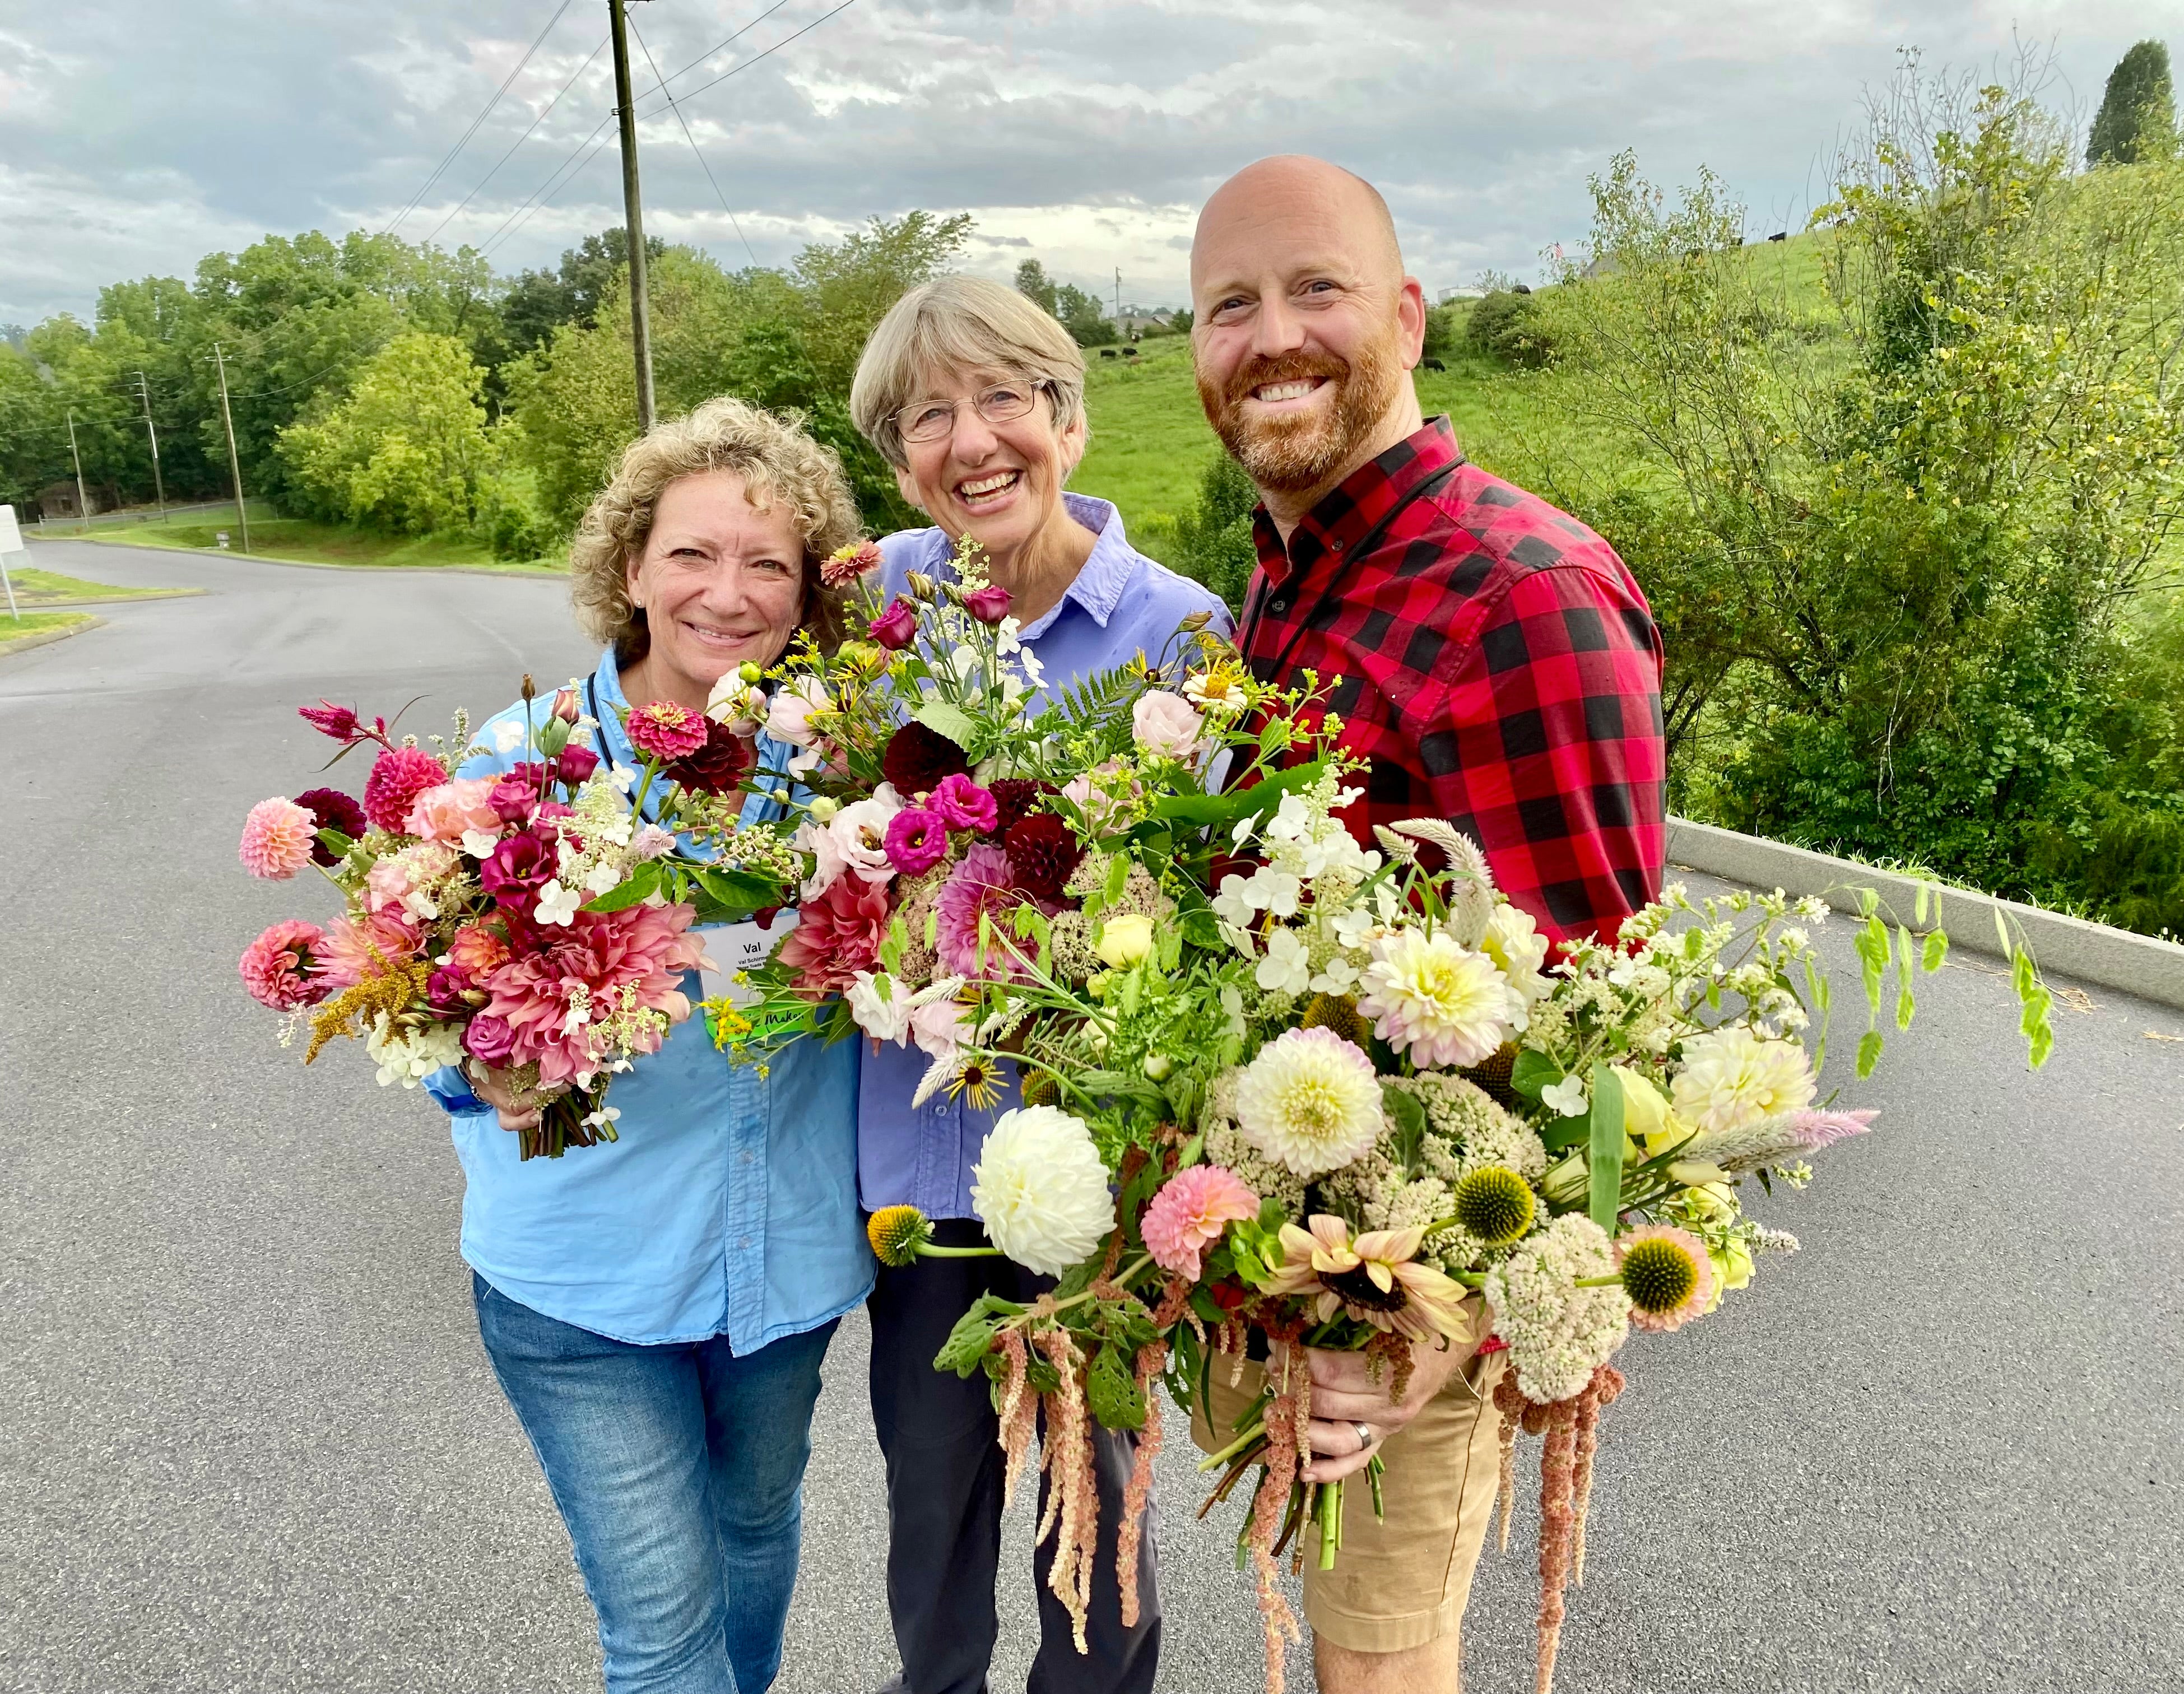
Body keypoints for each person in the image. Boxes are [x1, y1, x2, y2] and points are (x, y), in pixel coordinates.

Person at [1186, 156, 1668, 1693]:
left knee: (1382, 1671)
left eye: (1316, 288)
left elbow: (1601, 1031)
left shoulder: (1518, 592)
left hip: (1404, 1310)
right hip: (1305, 1251)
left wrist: (1431, 1325)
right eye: (1229, 306)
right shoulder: (1290, 580)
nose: (1273, 336)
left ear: (1408, 314)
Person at [422, 398, 871, 1694]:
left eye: (768, 563)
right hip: (583, 1285)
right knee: (662, 1624)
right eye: (691, 554)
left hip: (779, 1271)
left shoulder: (837, 772)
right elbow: (440, 1019)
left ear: (804, 597)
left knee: (753, 1533)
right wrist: (488, 1068)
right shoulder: (522, 768)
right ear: (630, 568)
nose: (726, 594)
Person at [844, 274, 1229, 1694]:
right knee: (930, 1519)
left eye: (1003, 397)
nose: (972, 439)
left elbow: (1219, 912)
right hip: (919, 1170)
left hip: (1097, 1171)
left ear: (1067, 419)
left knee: (1098, 1518)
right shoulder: (876, 604)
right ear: (901, 461)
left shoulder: (1180, 637)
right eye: (929, 415)